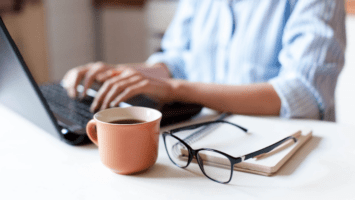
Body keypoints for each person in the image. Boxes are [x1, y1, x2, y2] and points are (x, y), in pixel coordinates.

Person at [63, 0, 346, 121]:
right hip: (207, 144)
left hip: (283, 154)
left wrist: (178, 90)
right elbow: (180, 62)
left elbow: (303, 95)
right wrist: (122, 74)